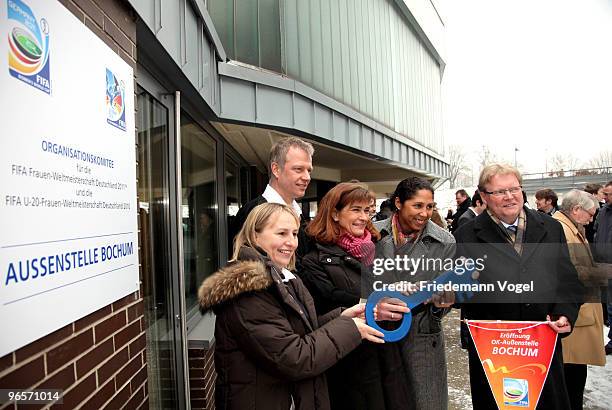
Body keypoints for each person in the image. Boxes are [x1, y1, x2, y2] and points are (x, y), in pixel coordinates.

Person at [199, 203, 393, 410]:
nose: (291, 243)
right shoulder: (248, 292)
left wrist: (342, 317)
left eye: (294, 234)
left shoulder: (281, 278)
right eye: (281, 233)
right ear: (255, 237)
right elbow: (293, 357)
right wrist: (351, 329)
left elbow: (297, 333)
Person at [454, 163, 582, 410]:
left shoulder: (551, 227)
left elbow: (568, 280)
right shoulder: (466, 235)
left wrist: (564, 311)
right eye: (500, 191)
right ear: (483, 196)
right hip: (495, 351)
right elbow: (458, 293)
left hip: (541, 344)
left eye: (514, 189)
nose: (509, 196)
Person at [301, 183, 410, 409]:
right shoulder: (314, 261)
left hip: (389, 361)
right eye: (356, 210)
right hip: (350, 368)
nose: (363, 217)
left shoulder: (379, 249)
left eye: (367, 210)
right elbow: (326, 309)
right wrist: (376, 302)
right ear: (335, 214)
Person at [373, 177, 456, 410]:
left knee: (425, 401)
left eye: (430, 206)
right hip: (379, 332)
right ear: (398, 203)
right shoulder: (372, 235)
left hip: (422, 335)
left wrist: (443, 302)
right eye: (418, 206)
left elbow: (447, 287)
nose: (425, 213)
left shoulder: (444, 241)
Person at [553, 190, 610, 409]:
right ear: (576, 210)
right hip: (574, 318)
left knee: (574, 380)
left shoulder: (570, 227)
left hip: (578, 315)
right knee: (571, 382)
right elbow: (571, 272)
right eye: (590, 213)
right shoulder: (563, 230)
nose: (592, 218)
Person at [233, 137, 314, 261]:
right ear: (276, 169)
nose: (307, 177)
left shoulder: (299, 214)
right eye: (298, 169)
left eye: (309, 170)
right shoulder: (253, 213)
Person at [593, 180, 612, 354]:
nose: (604, 197)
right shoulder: (604, 211)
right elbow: (597, 232)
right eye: (604, 194)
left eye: (608, 194)